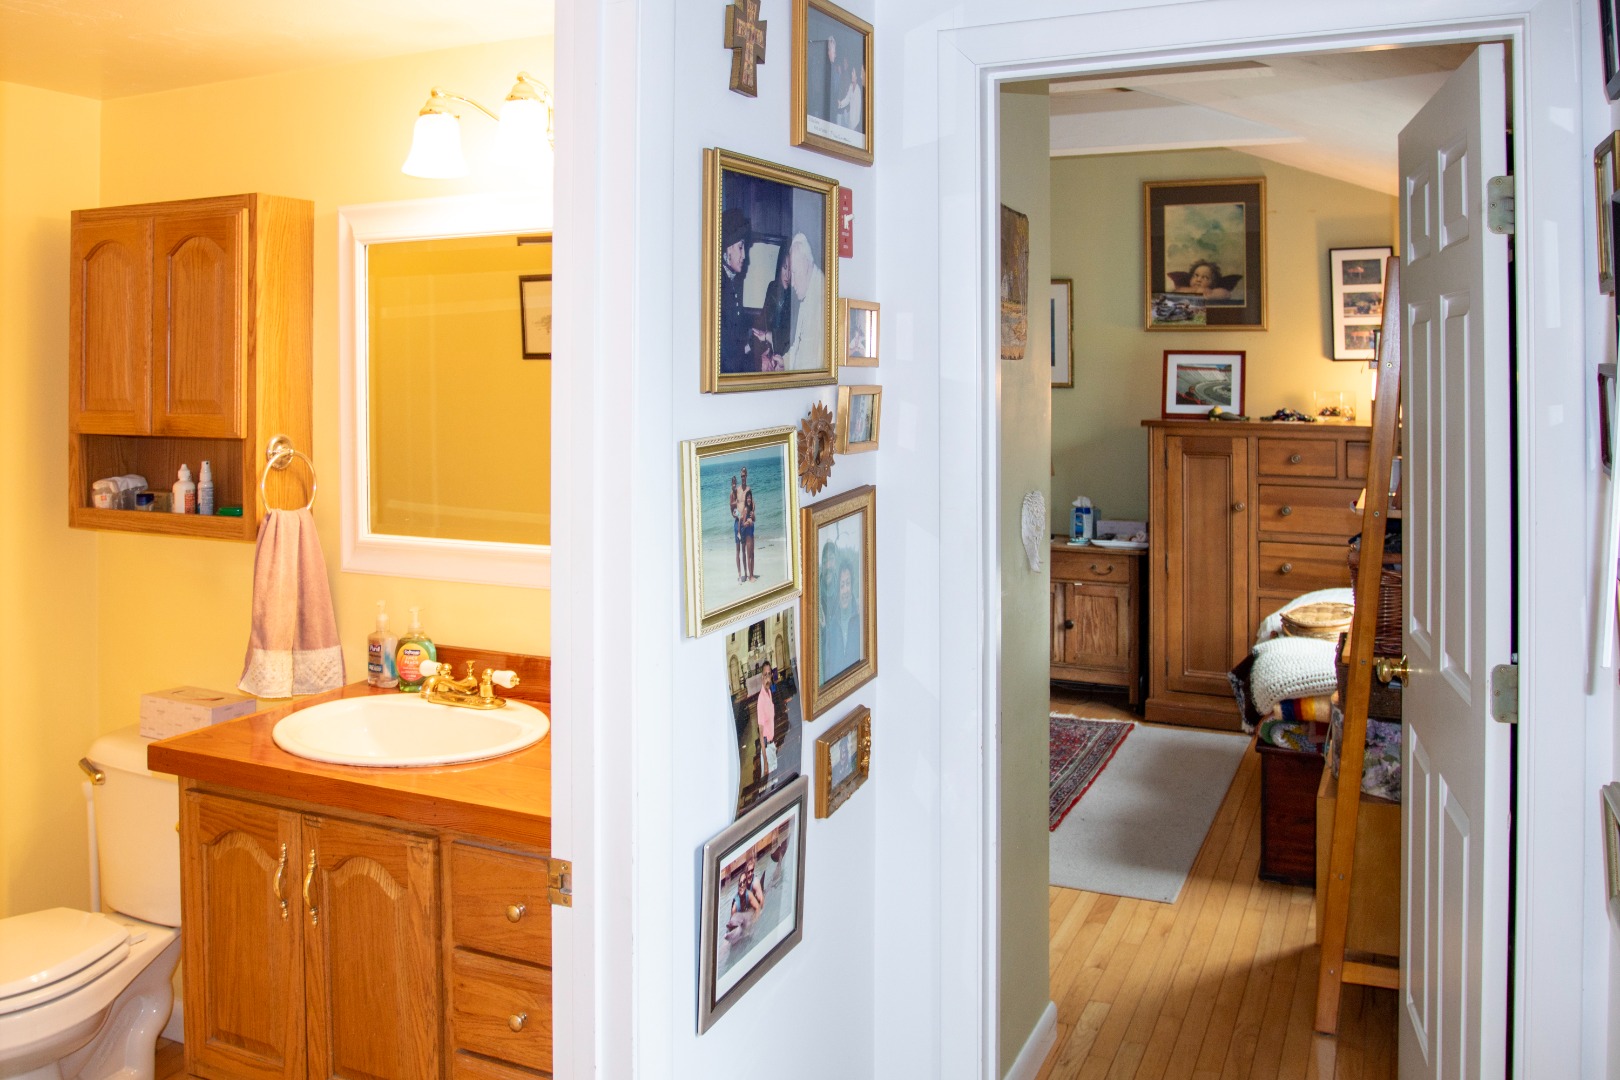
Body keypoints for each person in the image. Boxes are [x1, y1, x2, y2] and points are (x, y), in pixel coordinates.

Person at [782, 233, 826, 371]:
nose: (792, 283)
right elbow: (798, 346)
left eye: (794, 273)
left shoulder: (822, 296)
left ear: (807, 264)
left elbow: (813, 363)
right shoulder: (807, 290)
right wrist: (784, 362)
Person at [719, 207, 754, 372]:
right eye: (740, 247)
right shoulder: (721, 286)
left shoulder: (730, 281)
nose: (744, 255)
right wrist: (747, 349)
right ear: (727, 250)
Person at [818, 550, 862, 683]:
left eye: (848, 583)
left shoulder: (860, 616)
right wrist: (825, 630)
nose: (845, 590)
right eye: (842, 585)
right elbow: (829, 663)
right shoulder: (832, 624)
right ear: (837, 590)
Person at [761, 244, 795, 353]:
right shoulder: (772, 287)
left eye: (791, 270)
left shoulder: (795, 296)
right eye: (785, 268)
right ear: (779, 267)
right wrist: (766, 349)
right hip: (768, 346)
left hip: (785, 353)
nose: (787, 275)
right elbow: (763, 320)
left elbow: (789, 338)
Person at [756, 661, 778, 779]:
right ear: (762, 677)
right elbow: (760, 734)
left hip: (771, 745)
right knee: (769, 787)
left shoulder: (769, 692)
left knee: (775, 783)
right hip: (766, 750)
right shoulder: (761, 700)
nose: (768, 677)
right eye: (765, 675)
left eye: (769, 674)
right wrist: (765, 761)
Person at [729, 476, 744, 582]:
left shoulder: (738, 492)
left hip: (742, 522)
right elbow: (732, 510)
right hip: (736, 522)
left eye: (735, 483)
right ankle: (739, 575)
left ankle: (746, 573)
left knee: (744, 550)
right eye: (733, 483)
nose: (734, 485)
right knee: (738, 550)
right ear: (731, 484)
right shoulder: (731, 494)